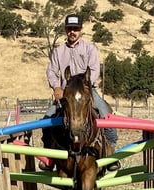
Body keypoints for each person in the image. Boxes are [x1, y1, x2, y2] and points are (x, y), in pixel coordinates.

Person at [39, 13, 120, 171]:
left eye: (75, 29)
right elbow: (51, 71)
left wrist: (86, 87)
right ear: (65, 29)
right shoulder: (58, 51)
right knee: (47, 118)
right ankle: (49, 156)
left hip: (86, 92)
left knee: (106, 114)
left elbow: (95, 69)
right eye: (70, 28)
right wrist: (56, 87)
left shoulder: (89, 49)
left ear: (81, 30)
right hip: (65, 95)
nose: (72, 32)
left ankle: (110, 153)